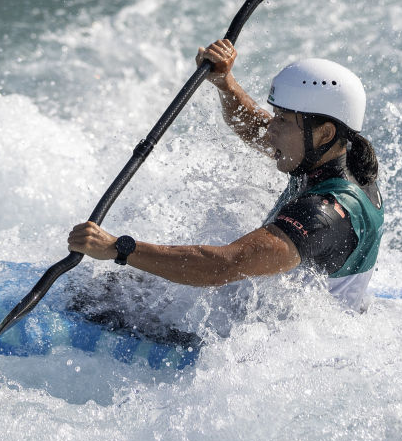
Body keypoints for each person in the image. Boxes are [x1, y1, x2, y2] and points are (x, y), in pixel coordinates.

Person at [68, 39, 383, 311]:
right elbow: (251, 125)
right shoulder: (339, 155)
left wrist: (119, 248)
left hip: (290, 347)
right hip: (279, 307)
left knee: (87, 299)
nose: (270, 128)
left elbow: (223, 266)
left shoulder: (324, 212)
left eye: (283, 121)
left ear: (325, 132)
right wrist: (225, 82)